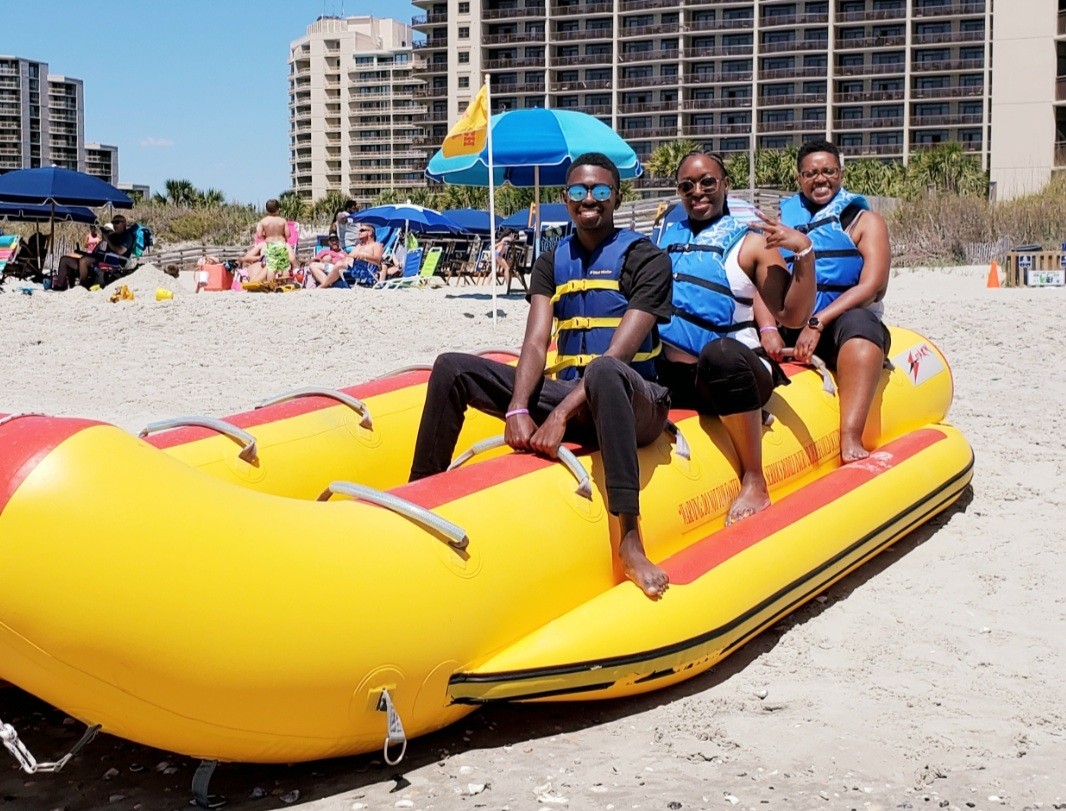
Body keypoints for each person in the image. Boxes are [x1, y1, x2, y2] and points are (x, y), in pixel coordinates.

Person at [409, 152, 675, 600]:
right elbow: (535, 343)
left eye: (601, 190)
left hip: (636, 404)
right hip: (575, 395)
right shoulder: (552, 261)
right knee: (452, 367)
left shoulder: (647, 259)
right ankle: (419, 495)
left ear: (616, 197)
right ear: (564, 198)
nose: (589, 199)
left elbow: (619, 354)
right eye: (578, 191)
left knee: (605, 369)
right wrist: (517, 407)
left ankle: (630, 539)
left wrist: (559, 416)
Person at [654, 151, 817, 525]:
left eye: (707, 182)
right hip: (678, 379)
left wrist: (804, 252)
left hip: (735, 374)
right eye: (687, 186)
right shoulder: (663, 239)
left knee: (722, 352)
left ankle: (754, 478)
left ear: (725, 184)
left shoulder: (752, 244)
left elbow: (791, 315)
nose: (698, 191)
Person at [761, 139, 891, 463]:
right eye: (811, 173)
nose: (821, 179)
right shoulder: (782, 224)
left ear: (841, 174)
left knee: (861, 324)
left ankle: (851, 436)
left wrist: (817, 323)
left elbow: (873, 286)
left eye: (829, 171)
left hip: (843, 325)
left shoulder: (865, 222)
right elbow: (761, 282)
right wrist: (768, 329)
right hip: (791, 321)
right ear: (799, 178)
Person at [56, 214, 138, 289]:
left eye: (117, 222)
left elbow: (120, 251)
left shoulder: (127, 236)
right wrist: (103, 240)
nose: (114, 225)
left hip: (114, 262)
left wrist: (108, 239)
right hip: (100, 258)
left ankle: (82, 286)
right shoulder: (113, 236)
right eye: (113, 223)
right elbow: (98, 250)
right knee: (64, 259)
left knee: (84, 261)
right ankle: (61, 286)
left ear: (124, 223)